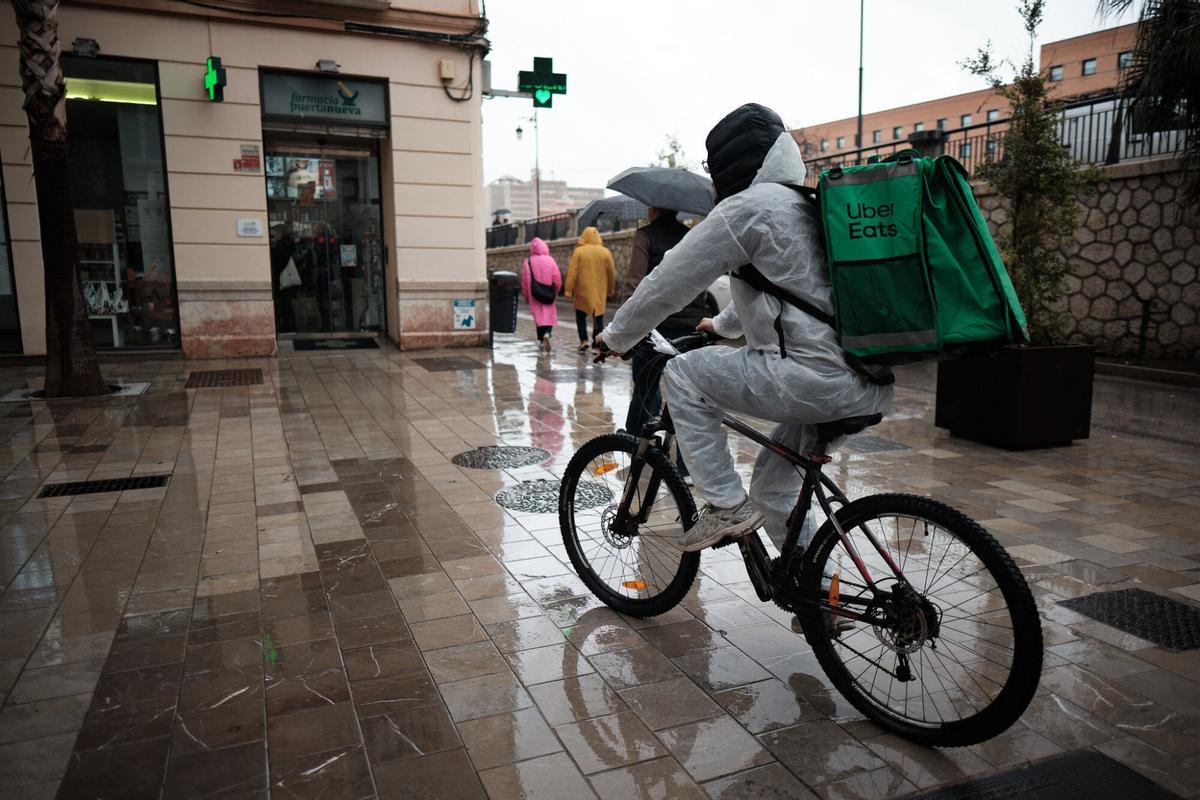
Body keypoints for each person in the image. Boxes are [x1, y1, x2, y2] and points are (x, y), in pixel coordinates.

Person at [597, 103, 893, 552]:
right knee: (775, 491)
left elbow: (669, 281)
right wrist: (718, 324)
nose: (712, 180)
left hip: (810, 378)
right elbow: (783, 289)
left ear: (732, 165)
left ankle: (724, 506)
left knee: (682, 375)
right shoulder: (805, 203)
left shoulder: (747, 208)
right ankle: (822, 602)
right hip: (865, 379)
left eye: (712, 168)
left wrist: (616, 336)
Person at [622, 207, 709, 481]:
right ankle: (686, 470)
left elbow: (635, 284)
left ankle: (638, 447)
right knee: (687, 398)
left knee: (646, 389)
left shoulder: (645, 236)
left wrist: (624, 330)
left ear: (651, 208)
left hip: (656, 329)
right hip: (690, 325)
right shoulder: (690, 235)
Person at [565, 226, 615, 352]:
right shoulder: (605, 252)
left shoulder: (579, 251)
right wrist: (610, 290)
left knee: (580, 316)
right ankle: (596, 345)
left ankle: (583, 341)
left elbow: (572, 272)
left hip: (582, 291)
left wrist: (568, 290)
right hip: (599, 291)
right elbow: (611, 274)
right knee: (598, 318)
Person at [520, 237, 563, 352]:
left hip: (535, 294)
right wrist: (556, 290)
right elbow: (557, 278)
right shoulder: (550, 260)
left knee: (539, 318)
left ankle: (540, 340)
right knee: (549, 316)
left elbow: (525, 281)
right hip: (549, 292)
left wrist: (526, 296)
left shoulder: (528, 262)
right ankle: (547, 334)